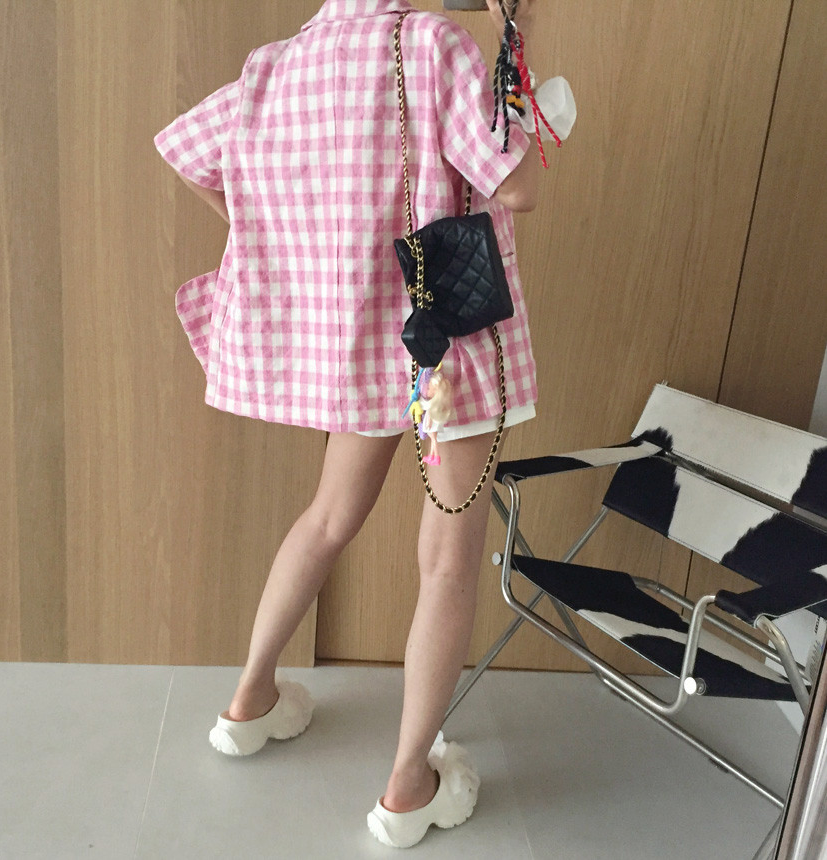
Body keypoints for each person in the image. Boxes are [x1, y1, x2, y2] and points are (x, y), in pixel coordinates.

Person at [154, 0, 554, 848]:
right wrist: (518, 68)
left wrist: (284, 241)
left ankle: (249, 702)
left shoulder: (276, 65)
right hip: (444, 344)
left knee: (328, 517)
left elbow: (189, 154)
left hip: (360, 346)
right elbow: (515, 185)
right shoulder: (434, 44)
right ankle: (409, 788)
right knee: (446, 562)